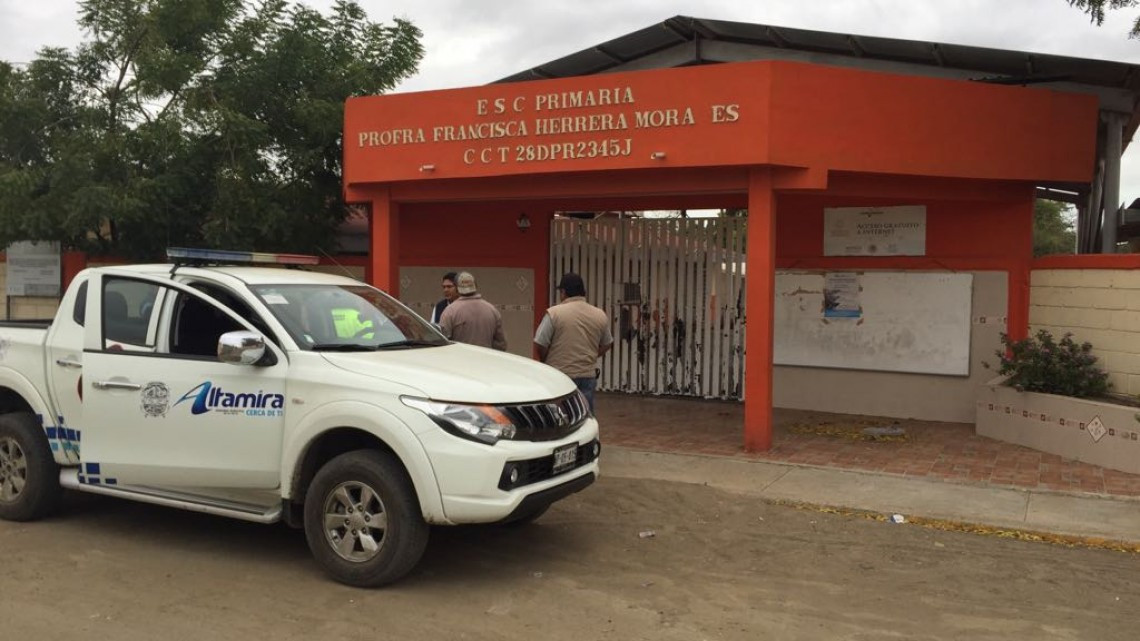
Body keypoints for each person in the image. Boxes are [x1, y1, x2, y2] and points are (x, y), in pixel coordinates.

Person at [533, 273, 613, 413]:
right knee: (585, 416)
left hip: (560, 375)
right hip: (587, 376)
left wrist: (548, 360)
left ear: (563, 292)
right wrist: (593, 355)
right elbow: (607, 343)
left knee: (560, 416)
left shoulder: (554, 313)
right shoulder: (599, 314)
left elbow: (540, 343)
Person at [438, 272, 507, 350]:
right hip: (485, 357)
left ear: (457, 289)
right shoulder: (492, 310)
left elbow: (442, 343)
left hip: (460, 357)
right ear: (475, 287)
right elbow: (501, 344)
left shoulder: (450, 311)